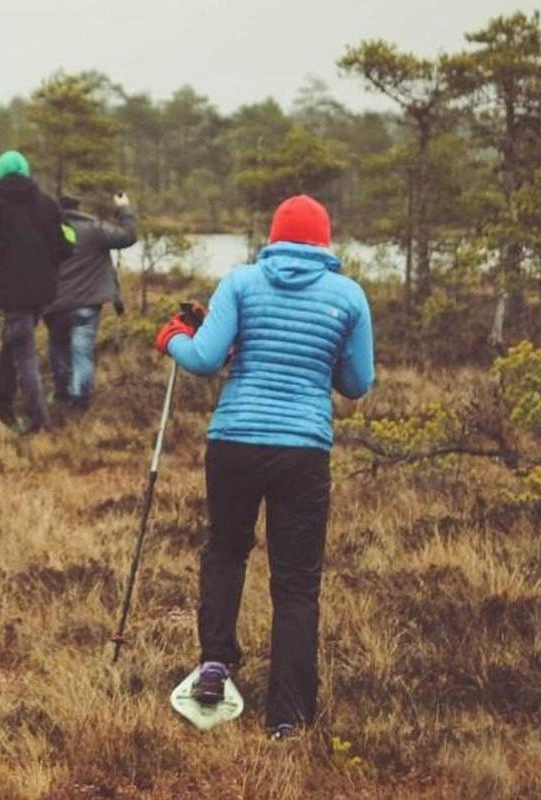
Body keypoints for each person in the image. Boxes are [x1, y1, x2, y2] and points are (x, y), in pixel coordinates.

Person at [155, 194, 375, 740]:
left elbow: (206, 359)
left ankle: (216, 665)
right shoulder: (349, 296)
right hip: (303, 450)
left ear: (274, 237)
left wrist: (174, 339)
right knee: (297, 583)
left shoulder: (241, 281)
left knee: (226, 551)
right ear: (325, 241)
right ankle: (288, 715)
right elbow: (356, 383)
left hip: (234, 441)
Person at [0, 150, 74, 433]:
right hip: (42, 293)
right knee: (14, 341)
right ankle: (2, 406)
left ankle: (39, 421)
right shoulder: (47, 205)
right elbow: (67, 245)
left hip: (11, 294)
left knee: (24, 354)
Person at [44, 192, 136, 412]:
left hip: (54, 306)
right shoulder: (95, 229)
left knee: (58, 350)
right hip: (86, 306)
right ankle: (79, 401)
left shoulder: (45, 232)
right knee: (82, 353)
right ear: (79, 208)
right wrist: (123, 208)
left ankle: (62, 396)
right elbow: (128, 236)